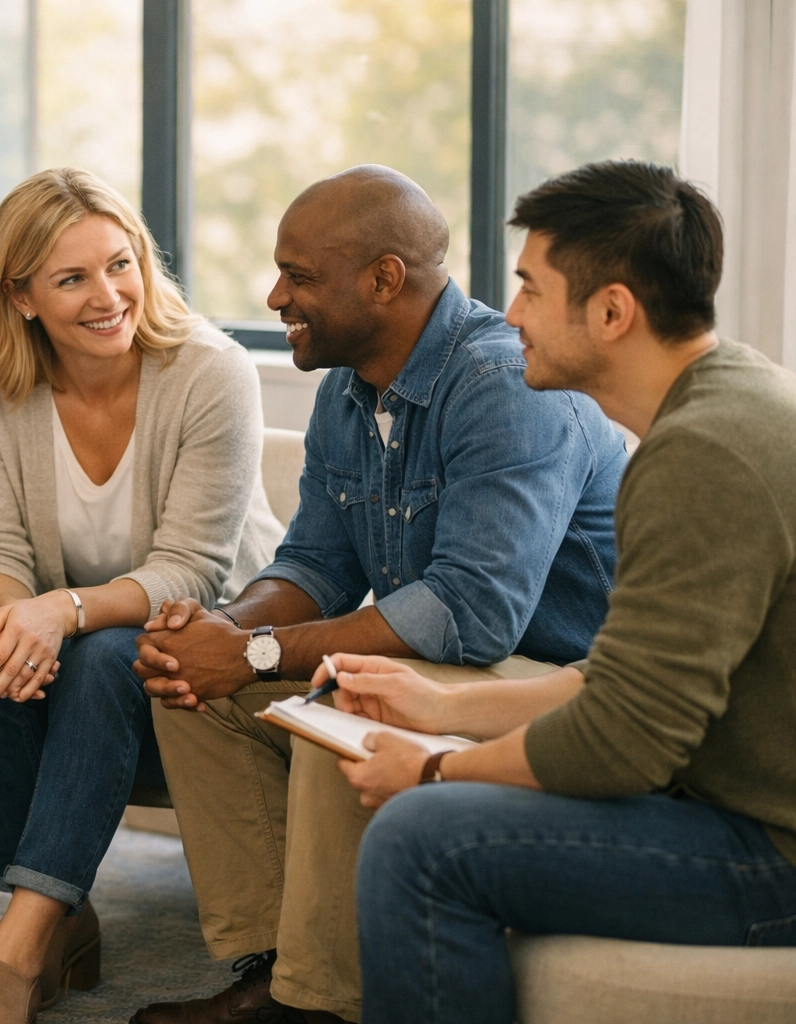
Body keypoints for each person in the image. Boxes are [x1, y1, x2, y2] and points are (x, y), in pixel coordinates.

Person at [129, 166, 624, 1024]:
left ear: (385, 279)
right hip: (451, 664)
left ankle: (324, 1004)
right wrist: (222, 631)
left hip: (550, 679)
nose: (276, 294)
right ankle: (273, 967)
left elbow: (472, 612)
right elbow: (314, 563)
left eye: (301, 275)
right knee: (194, 694)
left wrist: (257, 654)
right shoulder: (346, 394)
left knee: (347, 699)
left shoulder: (504, 386)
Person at [336, 160, 796, 1023]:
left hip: (773, 854)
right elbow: (626, 681)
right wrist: (440, 708)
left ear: (612, 311)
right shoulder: (726, 400)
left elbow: (621, 744)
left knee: (419, 841)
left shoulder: (703, 456)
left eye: (530, 290)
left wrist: (434, 771)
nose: (510, 317)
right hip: (741, 807)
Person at [0, 167, 284, 1024]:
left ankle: (18, 952)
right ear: (20, 296)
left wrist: (65, 611)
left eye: (121, 264)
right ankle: (60, 916)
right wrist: (24, 615)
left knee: (102, 656)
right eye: (73, 278)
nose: (109, 295)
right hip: (73, 664)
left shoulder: (211, 372)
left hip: (206, 663)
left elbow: (195, 568)